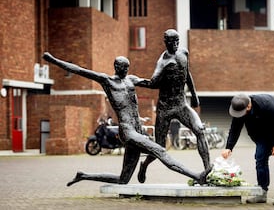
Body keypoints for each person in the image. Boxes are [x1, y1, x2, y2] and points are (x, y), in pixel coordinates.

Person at [42, 52, 212, 186]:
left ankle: (84, 176)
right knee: (159, 150)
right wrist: (53, 60)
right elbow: (79, 70)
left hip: (137, 129)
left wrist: (173, 71)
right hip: (128, 131)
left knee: (123, 179)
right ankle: (196, 175)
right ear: (115, 66)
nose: (125, 70)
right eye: (122, 67)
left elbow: (152, 83)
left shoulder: (131, 80)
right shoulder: (107, 81)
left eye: (127, 67)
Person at [136, 29, 210, 183]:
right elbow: (152, 83)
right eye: (172, 41)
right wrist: (135, 81)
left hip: (181, 104)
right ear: (165, 42)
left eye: (177, 40)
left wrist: (195, 95)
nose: (176, 44)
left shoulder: (184, 53)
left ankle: (207, 172)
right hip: (165, 108)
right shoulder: (162, 62)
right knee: (159, 146)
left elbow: (187, 73)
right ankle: (144, 165)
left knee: (200, 130)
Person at [221, 93, 274, 205]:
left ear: (248, 106)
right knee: (260, 158)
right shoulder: (240, 108)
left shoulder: (266, 105)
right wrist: (229, 147)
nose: (239, 115)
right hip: (267, 131)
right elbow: (235, 128)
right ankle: (261, 193)